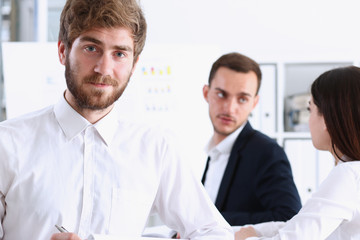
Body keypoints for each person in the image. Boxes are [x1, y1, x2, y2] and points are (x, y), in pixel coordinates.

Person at [0, 0, 234, 240]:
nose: (104, 68)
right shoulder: (7, 143)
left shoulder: (156, 148)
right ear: (63, 51)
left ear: (134, 65)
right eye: (91, 48)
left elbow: (214, 232)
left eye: (119, 54)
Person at [235, 66, 360, 240]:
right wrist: (254, 231)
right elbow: (301, 225)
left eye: (310, 110)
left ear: (327, 119)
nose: (308, 120)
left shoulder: (348, 175)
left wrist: (245, 238)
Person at [201, 52, 301, 226]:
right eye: (221, 94)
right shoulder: (213, 152)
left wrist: (208, 221)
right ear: (206, 93)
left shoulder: (267, 152)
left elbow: (289, 216)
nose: (230, 109)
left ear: (254, 103)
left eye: (242, 99)